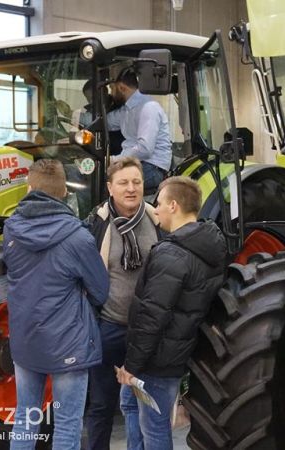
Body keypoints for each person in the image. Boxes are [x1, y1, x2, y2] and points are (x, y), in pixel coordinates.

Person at [3, 159, 109, 450]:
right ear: (65, 192)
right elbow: (101, 290)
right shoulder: (78, 237)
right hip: (68, 344)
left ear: (29, 188)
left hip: (26, 340)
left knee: (25, 418)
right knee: (67, 424)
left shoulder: (11, 230)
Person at [116, 176, 226, 450]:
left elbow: (153, 316)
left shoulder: (172, 255)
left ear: (174, 206)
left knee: (154, 429)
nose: (156, 209)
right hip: (172, 354)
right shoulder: (208, 245)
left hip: (156, 360)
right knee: (130, 405)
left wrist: (132, 365)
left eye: (159, 203)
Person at [84, 157, 161, 450]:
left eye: (137, 182)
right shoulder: (97, 223)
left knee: (143, 406)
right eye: (123, 183)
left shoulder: (157, 220)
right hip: (108, 327)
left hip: (146, 332)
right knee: (101, 404)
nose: (131, 189)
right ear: (110, 188)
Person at [107, 69, 172, 193]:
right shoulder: (127, 110)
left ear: (121, 88)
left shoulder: (148, 108)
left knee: (106, 182)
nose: (111, 93)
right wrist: (76, 116)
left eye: (112, 88)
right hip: (139, 164)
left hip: (152, 167)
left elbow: (144, 149)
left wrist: (114, 160)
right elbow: (106, 122)